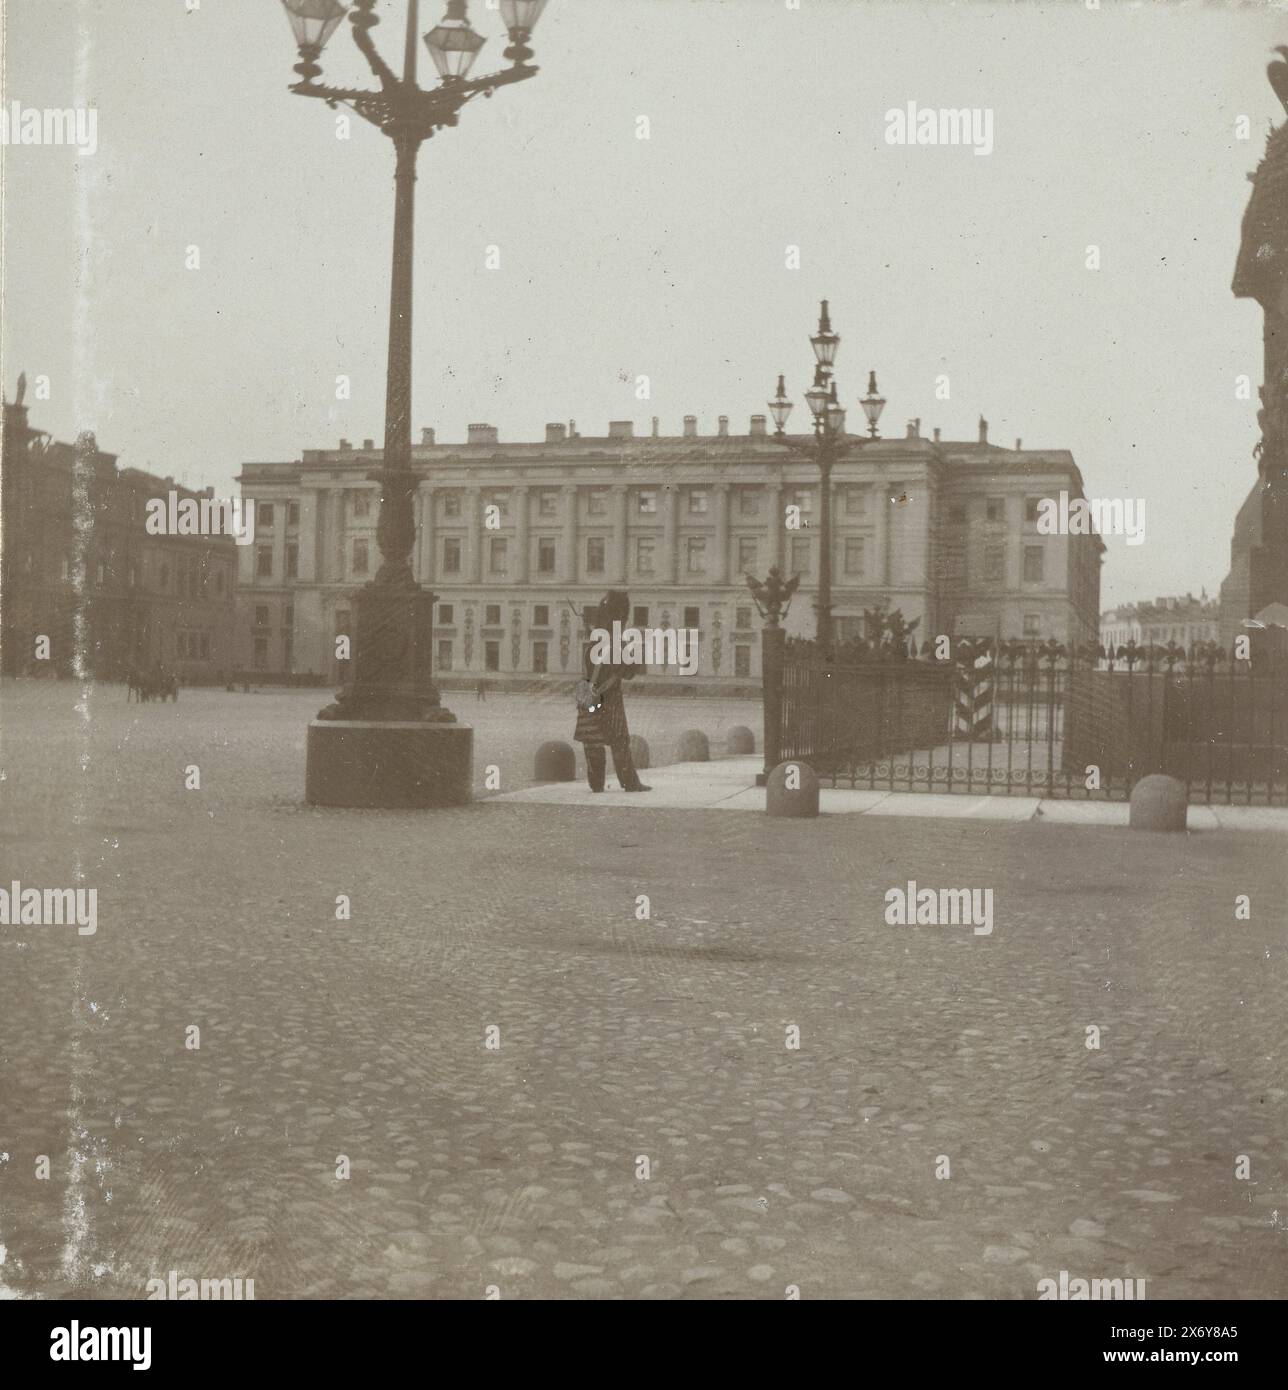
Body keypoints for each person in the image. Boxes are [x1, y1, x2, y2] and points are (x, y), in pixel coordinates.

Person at [574, 590, 650, 793]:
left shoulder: (593, 641)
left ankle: (596, 784)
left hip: (588, 698)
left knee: (592, 742)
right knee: (619, 741)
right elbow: (628, 673)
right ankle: (630, 783)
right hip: (610, 699)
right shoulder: (616, 643)